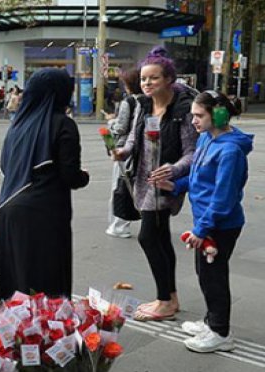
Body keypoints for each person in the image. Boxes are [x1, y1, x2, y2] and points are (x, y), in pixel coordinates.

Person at [154, 90, 252, 352]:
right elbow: (199, 178)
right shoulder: (207, 138)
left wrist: (202, 229)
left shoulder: (230, 151)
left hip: (220, 225)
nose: (193, 121)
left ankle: (220, 332)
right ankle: (211, 321)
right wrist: (173, 186)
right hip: (210, 221)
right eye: (192, 115)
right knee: (205, 273)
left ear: (218, 114)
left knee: (213, 277)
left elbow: (223, 196)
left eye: (199, 115)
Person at [112, 46, 198, 321]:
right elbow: (134, 139)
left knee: (149, 236)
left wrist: (172, 169)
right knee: (159, 237)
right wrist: (123, 151)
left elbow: (192, 152)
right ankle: (169, 297)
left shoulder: (182, 110)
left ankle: (164, 300)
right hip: (142, 178)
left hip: (165, 183)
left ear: (169, 79)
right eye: (143, 79)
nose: (147, 84)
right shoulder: (143, 105)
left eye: (153, 78)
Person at [0, 68, 90, 301]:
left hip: (8, 210)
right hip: (43, 214)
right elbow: (70, 175)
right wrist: (84, 177)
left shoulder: (16, 126)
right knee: (47, 283)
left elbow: (5, 167)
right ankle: (48, 335)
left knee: (17, 281)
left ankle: (17, 333)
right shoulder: (63, 124)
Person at [104, 68, 141, 239]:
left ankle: (119, 224)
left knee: (119, 186)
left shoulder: (130, 102)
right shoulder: (150, 100)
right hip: (143, 147)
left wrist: (111, 122)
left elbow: (121, 127)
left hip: (124, 148)